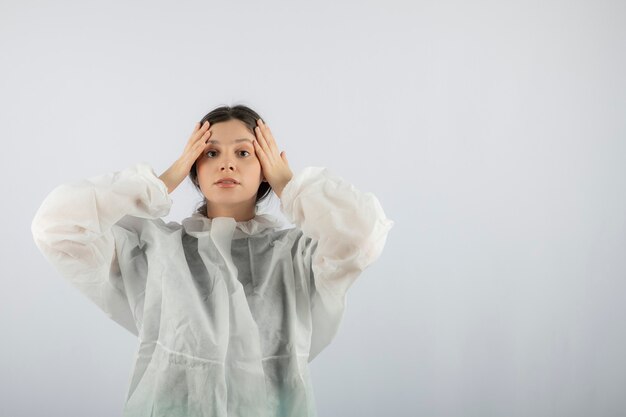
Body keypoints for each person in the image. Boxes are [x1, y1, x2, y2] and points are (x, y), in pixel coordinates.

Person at [31, 104, 394, 417]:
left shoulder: (296, 255)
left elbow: (362, 237)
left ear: (266, 168)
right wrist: (162, 180)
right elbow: (55, 227)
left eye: (244, 153)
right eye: (210, 153)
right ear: (194, 167)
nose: (227, 165)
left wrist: (290, 185)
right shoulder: (156, 249)